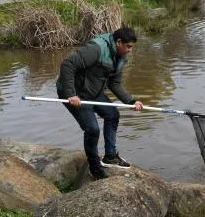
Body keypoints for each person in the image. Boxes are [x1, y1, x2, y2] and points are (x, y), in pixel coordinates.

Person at [56, 27, 144, 180]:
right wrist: (71, 94)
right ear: (118, 42)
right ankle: (94, 167)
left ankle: (110, 157)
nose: (130, 50)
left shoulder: (120, 57)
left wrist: (131, 101)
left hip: (93, 92)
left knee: (112, 115)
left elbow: (115, 83)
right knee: (92, 129)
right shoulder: (96, 49)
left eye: (132, 47)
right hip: (75, 93)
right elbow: (67, 65)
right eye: (128, 46)